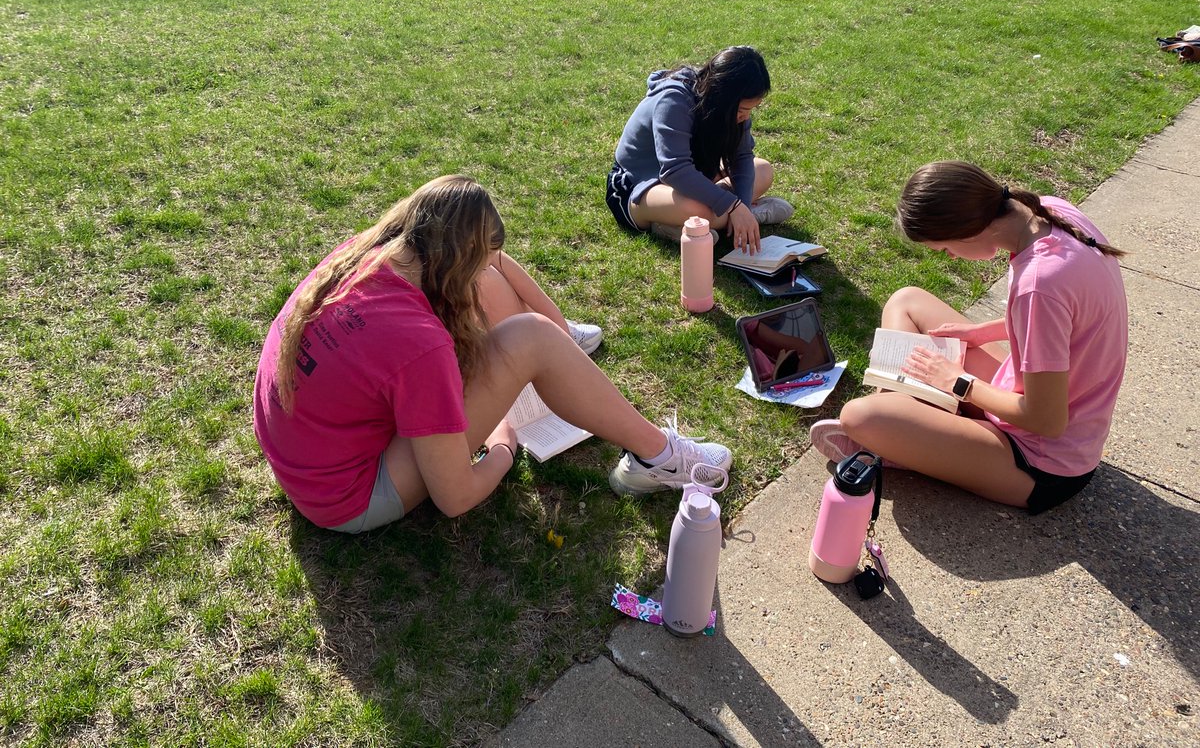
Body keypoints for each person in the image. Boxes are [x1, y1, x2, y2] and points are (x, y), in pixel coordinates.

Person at [253, 175, 732, 533]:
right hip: (349, 497)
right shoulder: (420, 343)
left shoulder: (373, 253)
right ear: (456, 266)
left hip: (301, 455)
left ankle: (559, 349)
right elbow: (454, 497)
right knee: (532, 339)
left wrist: (552, 328)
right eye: (478, 266)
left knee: (533, 331)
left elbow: (489, 261)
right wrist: (503, 444)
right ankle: (660, 458)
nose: (486, 271)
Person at [809, 161, 1128, 515]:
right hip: (1032, 402)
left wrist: (958, 382)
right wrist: (982, 332)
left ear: (966, 231)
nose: (949, 256)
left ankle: (904, 427)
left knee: (859, 417)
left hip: (1043, 463)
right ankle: (911, 420)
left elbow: (1047, 420)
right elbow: (1069, 316)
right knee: (907, 301)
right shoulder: (1048, 211)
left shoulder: (1039, 284)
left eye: (945, 249)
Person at [605, 46, 795, 254]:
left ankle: (701, 224)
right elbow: (675, 170)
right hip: (640, 188)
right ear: (723, 98)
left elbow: (742, 157)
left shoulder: (726, 106)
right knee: (699, 209)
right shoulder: (673, 99)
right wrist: (733, 205)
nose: (746, 117)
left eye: (751, 110)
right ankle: (723, 219)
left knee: (762, 169)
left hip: (692, 179)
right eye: (742, 110)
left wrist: (742, 206)